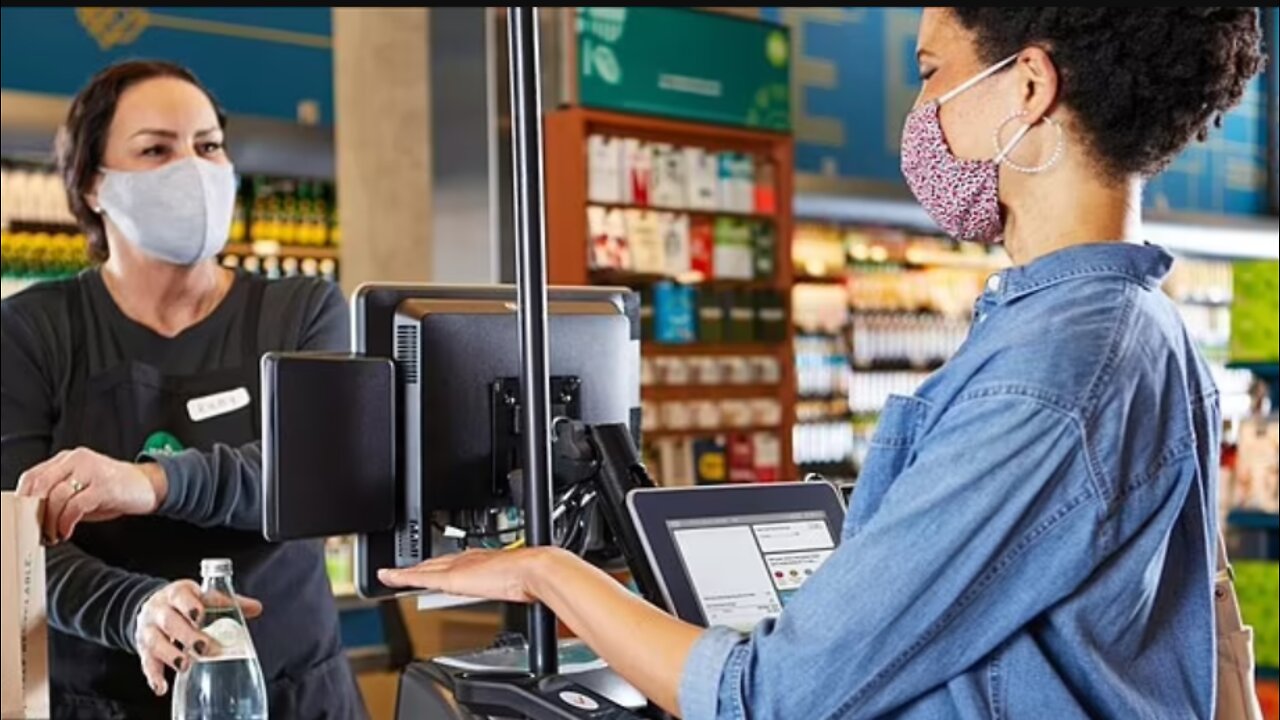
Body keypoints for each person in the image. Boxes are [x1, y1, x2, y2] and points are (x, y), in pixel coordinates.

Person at [377, 8, 1266, 720]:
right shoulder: (1139, 327)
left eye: (931, 74)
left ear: (1027, 86)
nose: (922, 117)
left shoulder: (1049, 372)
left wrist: (547, 572)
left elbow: (771, 698)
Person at [1, 61, 364, 719]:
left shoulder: (302, 312)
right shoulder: (33, 333)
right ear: (90, 185)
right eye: (156, 150)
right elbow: (16, 543)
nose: (193, 169)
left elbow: (311, 476)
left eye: (208, 146)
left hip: (294, 696)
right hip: (103, 700)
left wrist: (151, 483)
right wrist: (136, 609)